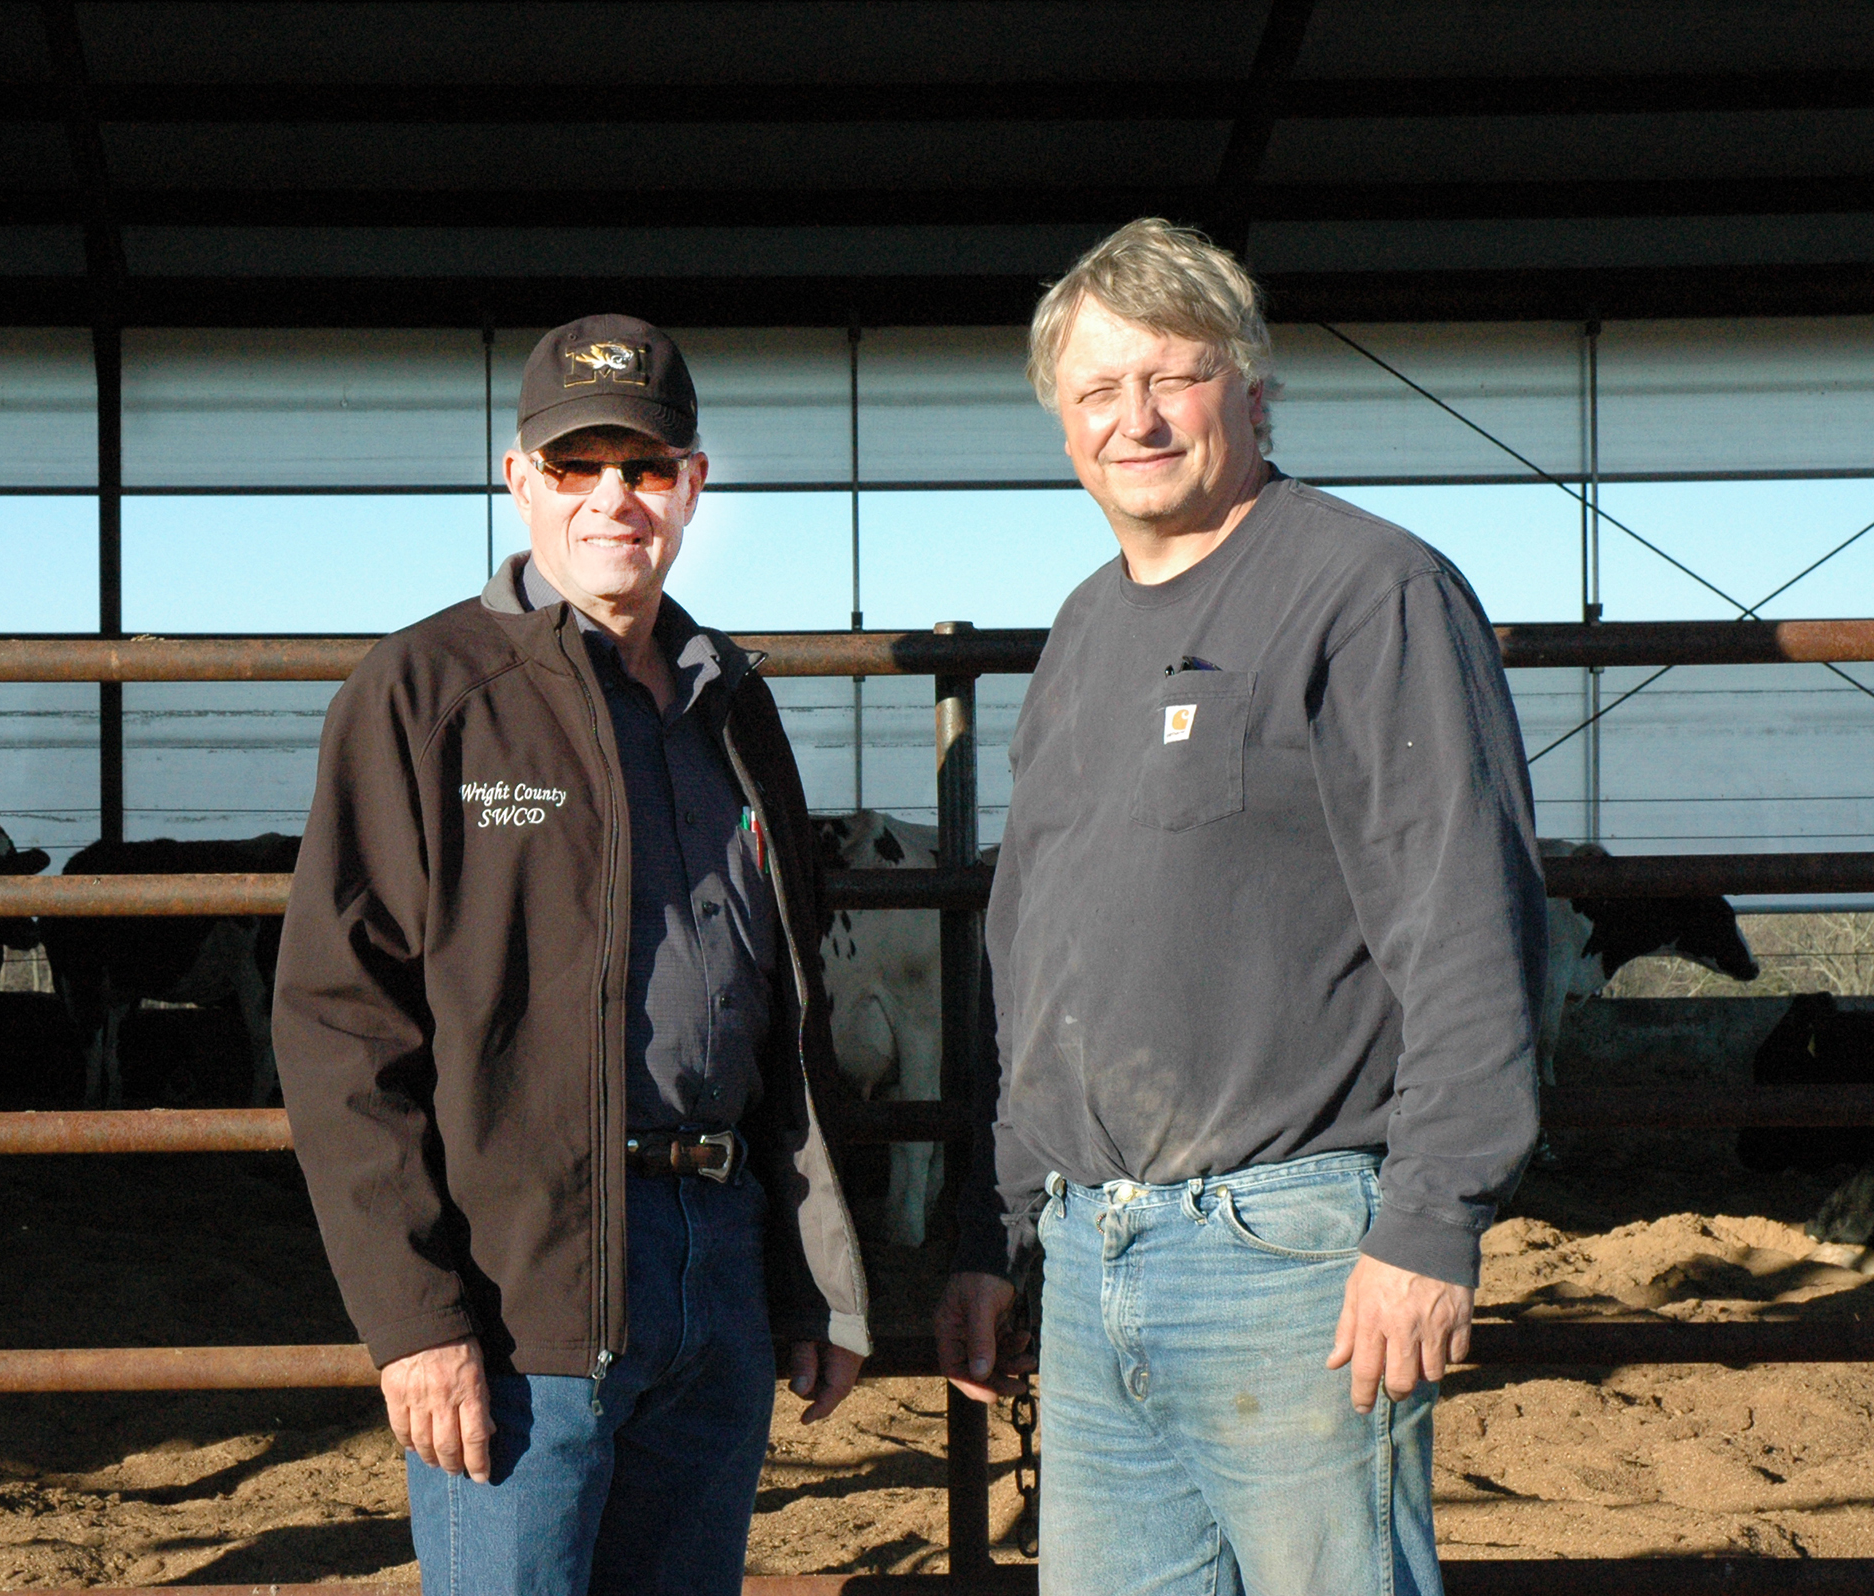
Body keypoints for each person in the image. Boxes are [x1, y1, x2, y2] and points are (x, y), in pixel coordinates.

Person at [935, 219, 1546, 1595]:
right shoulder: (1083, 630)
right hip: (1095, 1259)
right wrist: (1002, 1235)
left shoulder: (1367, 590)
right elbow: (1031, 957)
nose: (1134, 419)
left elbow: (1467, 921)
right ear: (1062, 423)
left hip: (1296, 1253)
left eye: (1174, 378)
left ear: (1252, 392)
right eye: (1097, 392)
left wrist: (1431, 1223)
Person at [274, 314, 870, 1596]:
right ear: (517, 480)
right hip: (521, 1287)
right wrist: (415, 1320)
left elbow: (785, 1012)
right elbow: (339, 1024)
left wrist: (811, 1278)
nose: (614, 498)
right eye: (575, 464)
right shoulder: (423, 695)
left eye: (647, 467)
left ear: (693, 486)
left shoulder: (733, 701)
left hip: (714, 1259)